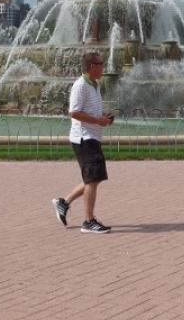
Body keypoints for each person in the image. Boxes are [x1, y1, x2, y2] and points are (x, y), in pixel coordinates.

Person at [52, 52, 114, 234]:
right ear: (91, 66)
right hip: (83, 138)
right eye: (100, 64)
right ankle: (88, 221)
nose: (103, 67)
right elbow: (74, 112)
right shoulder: (80, 86)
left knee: (93, 178)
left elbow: (90, 112)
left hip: (92, 137)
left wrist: (104, 119)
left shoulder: (94, 85)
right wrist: (98, 121)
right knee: (93, 178)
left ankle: (63, 203)